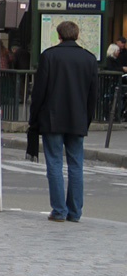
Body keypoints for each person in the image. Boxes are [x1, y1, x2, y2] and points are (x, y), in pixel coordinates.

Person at [29, 20, 98, 223]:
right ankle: (75, 212)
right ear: (77, 35)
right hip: (78, 118)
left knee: (54, 163)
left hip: (52, 118)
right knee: (76, 165)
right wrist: (87, 119)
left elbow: (39, 91)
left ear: (58, 35)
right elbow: (93, 94)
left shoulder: (49, 56)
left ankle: (59, 210)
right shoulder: (89, 58)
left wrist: (34, 119)